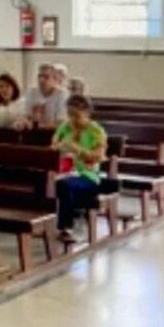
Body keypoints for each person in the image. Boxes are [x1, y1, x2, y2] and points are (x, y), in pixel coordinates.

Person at [51, 95, 107, 242]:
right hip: (65, 172)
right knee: (47, 182)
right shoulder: (65, 126)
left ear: (87, 113)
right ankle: (40, 223)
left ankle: (65, 228)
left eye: (77, 116)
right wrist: (60, 148)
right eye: (70, 115)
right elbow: (53, 146)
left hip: (87, 176)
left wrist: (77, 150)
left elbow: (98, 156)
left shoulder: (96, 130)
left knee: (63, 186)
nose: (73, 120)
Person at [19, 63, 69, 130]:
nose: (41, 80)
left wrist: (38, 126)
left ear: (55, 79)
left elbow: (61, 123)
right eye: (39, 76)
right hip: (33, 132)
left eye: (46, 77)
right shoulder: (31, 92)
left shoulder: (62, 94)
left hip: (53, 133)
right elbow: (25, 116)